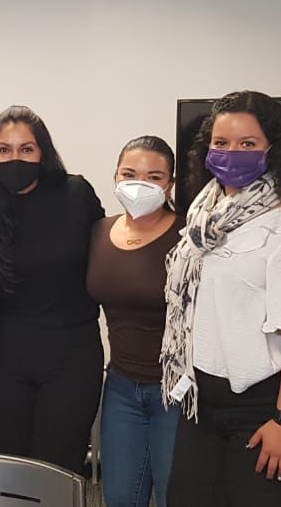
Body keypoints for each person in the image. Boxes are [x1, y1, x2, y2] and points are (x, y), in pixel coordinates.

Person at [162, 90, 281, 506]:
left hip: (264, 408)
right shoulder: (204, 214)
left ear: (272, 150)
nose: (231, 153)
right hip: (202, 405)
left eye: (247, 144)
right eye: (221, 143)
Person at [0, 105, 105, 474]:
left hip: (72, 355)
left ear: (43, 152)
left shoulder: (76, 193)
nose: (15, 158)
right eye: (4, 150)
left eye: (26, 149)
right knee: (12, 468)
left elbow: (105, 257)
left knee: (57, 469)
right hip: (5, 357)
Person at [87, 136, 184, 507]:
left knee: (176, 496)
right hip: (121, 387)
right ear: (115, 176)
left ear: (170, 184)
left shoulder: (189, 235)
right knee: (120, 497)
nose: (140, 184)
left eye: (154, 176)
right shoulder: (99, 232)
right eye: (130, 173)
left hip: (176, 393)